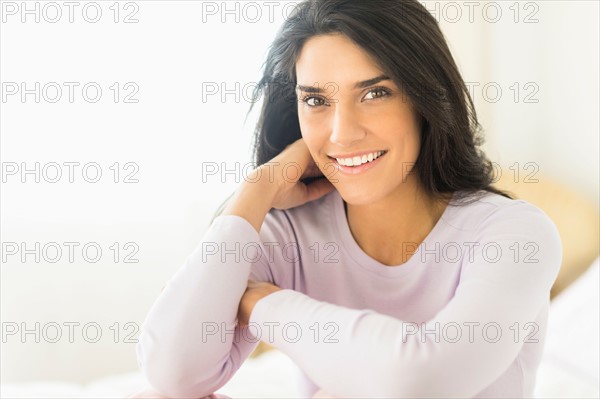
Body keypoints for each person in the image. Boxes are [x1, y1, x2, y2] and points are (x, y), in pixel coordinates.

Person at [133, 0, 562, 398]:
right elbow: (173, 372)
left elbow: (420, 378)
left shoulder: (515, 234)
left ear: (426, 98)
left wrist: (260, 305)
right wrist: (256, 189)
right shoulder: (288, 230)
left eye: (375, 93)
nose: (342, 133)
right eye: (317, 100)